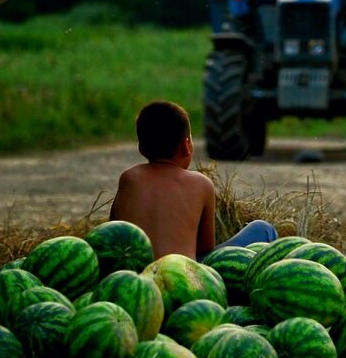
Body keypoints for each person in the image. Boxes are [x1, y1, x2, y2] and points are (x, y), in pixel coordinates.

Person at [110, 100, 277, 260]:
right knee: (264, 229)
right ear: (186, 145)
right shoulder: (201, 183)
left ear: (141, 147)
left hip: (135, 275)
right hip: (184, 276)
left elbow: (112, 231)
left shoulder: (129, 178)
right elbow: (205, 249)